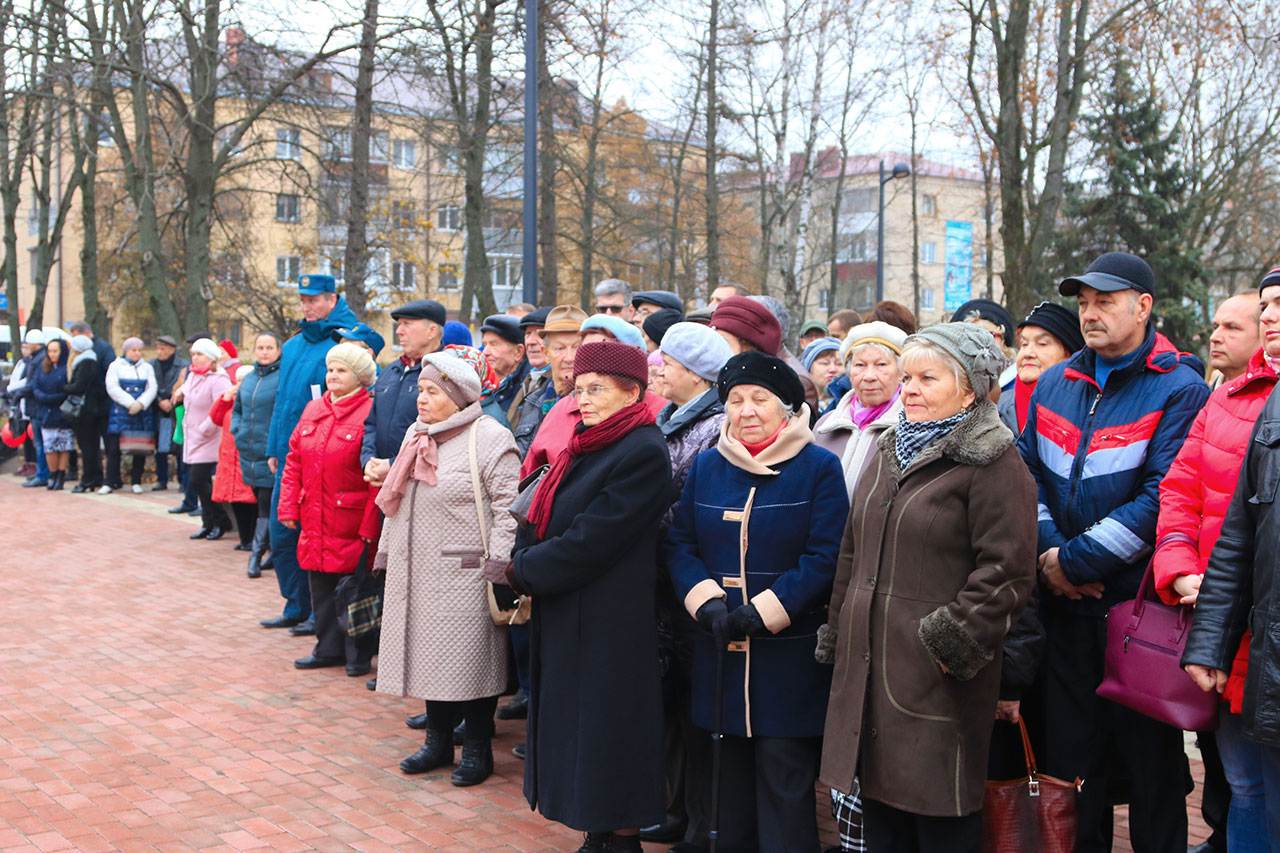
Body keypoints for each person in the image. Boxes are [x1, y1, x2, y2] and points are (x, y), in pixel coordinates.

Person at [817, 324, 1034, 853]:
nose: (908, 389)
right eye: (907, 377)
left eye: (926, 378)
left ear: (970, 390)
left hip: (935, 678)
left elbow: (1006, 573)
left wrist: (943, 645)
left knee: (938, 819)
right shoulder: (891, 448)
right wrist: (841, 631)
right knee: (882, 819)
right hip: (868, 667)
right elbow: (853, 548)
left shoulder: (995, 463)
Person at [1019, 252, 1209, 852]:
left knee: (1152, 777)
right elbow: (1027, 479)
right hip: (1065, 617)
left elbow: (1162, 499)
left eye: (1104, 301)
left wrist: (1071, 564)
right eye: (1083, 302)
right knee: (1075, 776)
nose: (1090, 313)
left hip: (1137, 615)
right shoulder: (1057, 381)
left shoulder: (1180, 388)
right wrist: (1052, 559)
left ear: (1143, 306)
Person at [667, 351, 847, 851]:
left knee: (783, 782)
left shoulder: (819, 468)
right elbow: (679, 543)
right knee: (726, 790)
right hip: (719, 652)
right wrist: (706, 602)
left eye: (759, 400)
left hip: (788, 659)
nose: (745, 411)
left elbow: (825, 555)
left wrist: (766, 609)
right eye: (735, 400)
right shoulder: (707, 465)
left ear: (787, 408)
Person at [506, 340, 673, 852]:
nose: (585, 400)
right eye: (579, 390)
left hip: (610, 620)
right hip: (573, 611)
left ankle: (621, 838)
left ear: (633, 391)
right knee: (583, 732)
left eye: (597, 389)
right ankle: (597, 830)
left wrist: (526, 568)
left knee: (610, 730)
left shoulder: (643, 449)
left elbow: (595, 538)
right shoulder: (591, 442)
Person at [374, 351, 520, 787]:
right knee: (427, 658)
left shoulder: (490, 437)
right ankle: (437, 743)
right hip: (415, 570)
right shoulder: (417, 435)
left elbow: (507, 509)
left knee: (472, 662)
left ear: (458, 397)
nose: (421, 399)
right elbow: (394, 501)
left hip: (465, 573)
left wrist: (499, 565)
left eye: (432, 391)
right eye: (420, 389)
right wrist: (386, 551)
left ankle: (476, 749)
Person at [1162, 280, 1269, 853]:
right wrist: (1179, 569)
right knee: (1245, 785)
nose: (1215, 334)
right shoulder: (1223, 399)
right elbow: (1179, 492)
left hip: (1258, 620)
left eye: (1233, 325)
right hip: (1219, 622)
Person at [643, 321, 733, 848]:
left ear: (695, 375)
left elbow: (686, 505)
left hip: (693, 585)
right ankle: (675, 809)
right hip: (663, 582)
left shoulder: (713, 427)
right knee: (672, 706)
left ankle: (703, 823)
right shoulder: (672, 416)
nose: (657, 366)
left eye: (667, 362)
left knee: (698, 711)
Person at [261, 273, 358, 632]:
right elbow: (281, 401)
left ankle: (322, 615)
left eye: (314, 299)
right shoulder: (294, 344)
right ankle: (295, 603)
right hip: (291, 454)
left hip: (328, 456)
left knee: (321, 536)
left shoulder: (347, 341)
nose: (307, 306)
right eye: (303, 300)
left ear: (332, 300)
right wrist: (273, 446)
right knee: (282, 532)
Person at [277, 343, 377, 675]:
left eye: (342, 370)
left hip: (350, 517)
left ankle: (358, 654)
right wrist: (289, 506)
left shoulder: (368, 413)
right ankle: (327, 648)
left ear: (360, 377)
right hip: (316, 516)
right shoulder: (313, 409)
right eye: (330, 369)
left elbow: (372, 477)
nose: (333, 375)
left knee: (355, 589)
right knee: (320, 586)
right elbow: (293, 462)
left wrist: (369, 526)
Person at [521, 315, 666, 477]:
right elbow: (529, 475)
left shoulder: (660, 412)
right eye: (584, 350)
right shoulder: (561, 410)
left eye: (602, 350)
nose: (588, 359)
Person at [813, 321, 908, 498]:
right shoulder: (826, 425)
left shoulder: (912, 427)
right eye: (860, 365)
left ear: (901, 372)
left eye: (881, 365)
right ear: (849, 373)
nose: (869, 376)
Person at [361, 300, 445, 493]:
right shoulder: (391, 371)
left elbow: (443, 435)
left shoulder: (445, 375)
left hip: (423, 487)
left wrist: (393, 464)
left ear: (431, 331)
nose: (399, 331)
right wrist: (368, 461)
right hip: (382, 483)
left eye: (407, 324)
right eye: (399, 325)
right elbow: (372, 423)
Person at [711, 295, 819, 411]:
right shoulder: (731, 374)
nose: (714, 348)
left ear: (747, 346)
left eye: (723, 341)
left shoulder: (789, 379)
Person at [231, 333, 282, 578]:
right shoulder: (249, 378)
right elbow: (238, 409)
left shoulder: (281, 378)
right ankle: (271, 551)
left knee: (265, 505)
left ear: (278, 350)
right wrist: (237, 430)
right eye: (260, 347)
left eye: (269, 347)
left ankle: (255, 556)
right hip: (248, 450)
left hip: (269, 452)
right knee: (261, 502)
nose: (264, 352)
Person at [513, 306, 585, 468]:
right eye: (560, 348)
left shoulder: (598, 406)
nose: (569, 357)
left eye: (577, 347)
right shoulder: (532, 402)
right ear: (545, 352)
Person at [997, 302, 1084, 435]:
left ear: (1070, 355)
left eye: (1042, 344)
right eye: (1024, 344)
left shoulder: (1088, 408)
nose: (1028, 353)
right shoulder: (998, 408)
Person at [178, 338, 233, 541]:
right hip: (192, 435)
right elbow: (189, 392)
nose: (195, 357)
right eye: (193, 354)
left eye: (199, 354)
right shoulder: (193, 375)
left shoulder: (219, 379)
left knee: (198, 479)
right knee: (198, 482)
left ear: (210, 358)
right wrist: (179, 391)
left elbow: (222, 407)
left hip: (209, 436)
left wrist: (204, 430)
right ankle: (208, 522)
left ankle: (220, 521)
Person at [210, 366, 260, 552]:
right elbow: (215, 418)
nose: (240, 384)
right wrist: (225, 399)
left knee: (251, 502)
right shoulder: (230, 401)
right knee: (235, 501)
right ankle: (244, 538)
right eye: (237, 380)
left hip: (246, 457)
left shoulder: (254, 400)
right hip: (229, 458)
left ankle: (253, 539)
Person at [102, 337, 158, 494]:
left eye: (140, 350)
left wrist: (140, 403)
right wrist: (129, 403)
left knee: (139, 448)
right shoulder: (115, 366)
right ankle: (111, 481)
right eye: (134, 350)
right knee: (113, 448)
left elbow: (152, 388)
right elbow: (112, 387)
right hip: (120, 413)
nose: (137, 353)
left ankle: (136, 480)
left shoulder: (147, 368)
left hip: (141, 412)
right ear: (126, 351)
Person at [64, 334, 110, 494]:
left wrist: (63, 388)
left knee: (87, 447)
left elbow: (79, 386)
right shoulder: (91, 359)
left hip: (86, 411)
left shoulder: (85, 362)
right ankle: (95, 477)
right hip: (91, 409)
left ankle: (87, 480)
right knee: (92, 446)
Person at [29, 338, 72, 490]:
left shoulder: (66, 368)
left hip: (61, 411)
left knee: (63, 445)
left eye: (56, 351)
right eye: (50, 351)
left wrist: (53, 398)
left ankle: (61, 475)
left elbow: (67, 389)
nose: (52, 354)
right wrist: (42, 397)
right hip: (45, 411)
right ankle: (52, 474)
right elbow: (35, 385)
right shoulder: (43, 367)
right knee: (49, 447)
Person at [9, 330, 50, 487]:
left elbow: (32, 384)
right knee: (39, 442)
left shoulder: (37, 360)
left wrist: (18, 394)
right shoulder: (36, 359)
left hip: (37, 406)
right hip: (35, 405)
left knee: (40, 443)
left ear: (34, 344)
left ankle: (42, 474)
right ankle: (42, 473)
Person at [152, 335, 189, 496]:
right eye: (158, 348)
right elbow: (149, 385)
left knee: (179, 447)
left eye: (164, 348)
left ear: (172, 349)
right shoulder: (151, 365)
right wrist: (160, 400)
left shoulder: (183, 365)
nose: (160, 351)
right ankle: (162, 479)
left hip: (177, 410)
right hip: (158, 410)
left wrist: (171, 400)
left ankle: (182, 480)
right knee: (161, 447)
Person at [1206, 291, 1266, 389]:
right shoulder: (1206, 394)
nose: (1214, 337)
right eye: (1215, 327)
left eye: (1232, 327)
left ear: (1263, 334)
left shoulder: (1273, 400)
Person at [507, 307, 551, 437]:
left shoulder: (559, 385)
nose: (531, 341)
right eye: (528, 334)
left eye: (540, 333)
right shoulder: (528, 379)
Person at [479, 314, 528, 418]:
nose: (485, 352)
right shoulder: (479, 383)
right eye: (484, 345)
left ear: (518, 352)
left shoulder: (528, 391)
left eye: (494, 344)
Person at [801, 337, 843, 410]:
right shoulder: (798, 405)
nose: (832, 369)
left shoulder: (850, 405)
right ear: (809, 369)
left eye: (839, 364)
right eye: (825, 363)